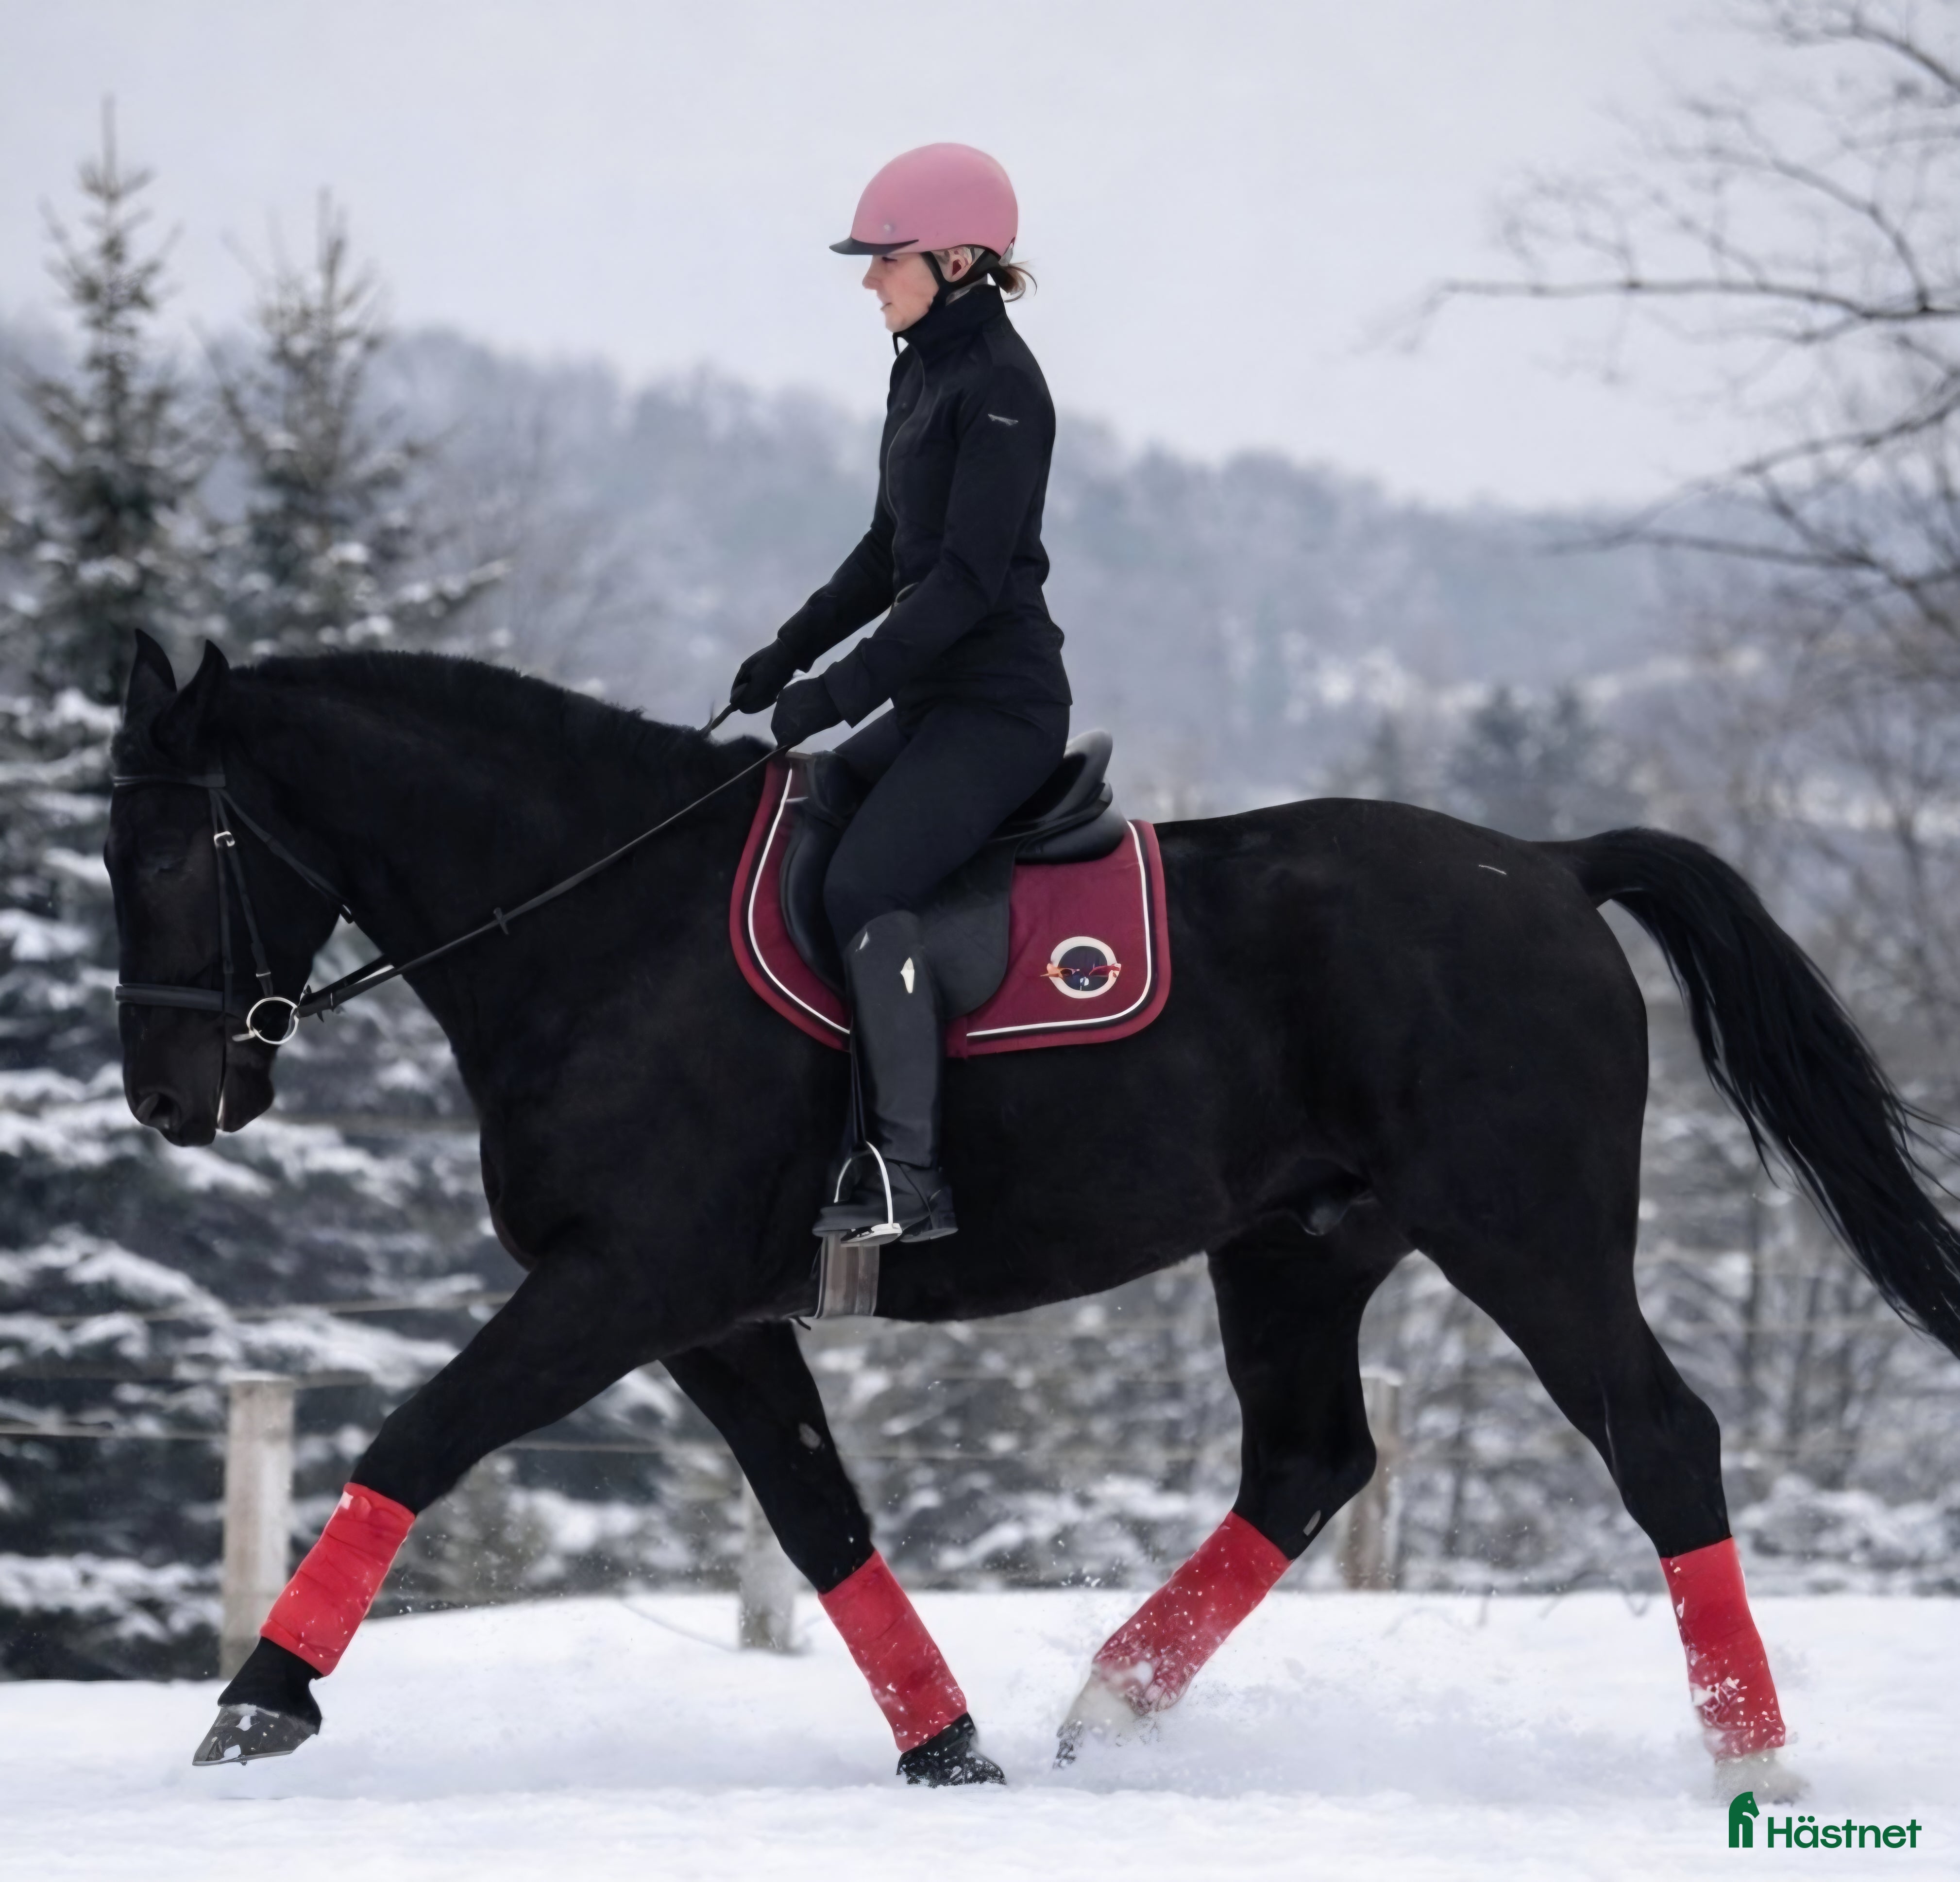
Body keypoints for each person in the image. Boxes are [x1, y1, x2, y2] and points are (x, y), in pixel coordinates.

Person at [726, 143, 1072, 1245]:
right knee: (805, 817)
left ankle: (909, 1176)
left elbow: (966, 583)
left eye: (887, 261)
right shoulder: (919, 369)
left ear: (958, 260)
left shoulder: (1005, 391)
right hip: (930, 704)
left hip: (997, 709)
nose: (870, 281)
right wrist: (784, 654)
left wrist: (837, 694)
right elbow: (889, 553)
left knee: (867, 880)